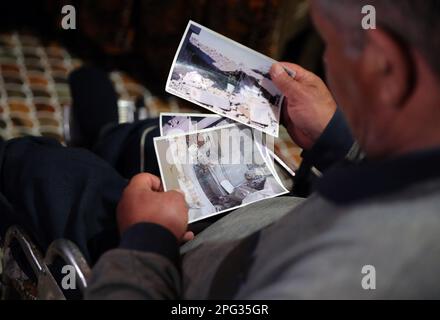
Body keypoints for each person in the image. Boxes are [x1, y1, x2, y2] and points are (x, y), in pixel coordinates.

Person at [82, 0, 440, 299]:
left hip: (174, 265)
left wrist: (144, 241)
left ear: (386, 65)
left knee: (49, 173)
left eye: (329, 43)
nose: (327, 61)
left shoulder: (337, 280)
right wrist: (337, 139)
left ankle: (92, 146)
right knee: (148, 139)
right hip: (267, 217)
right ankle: (109, 135)